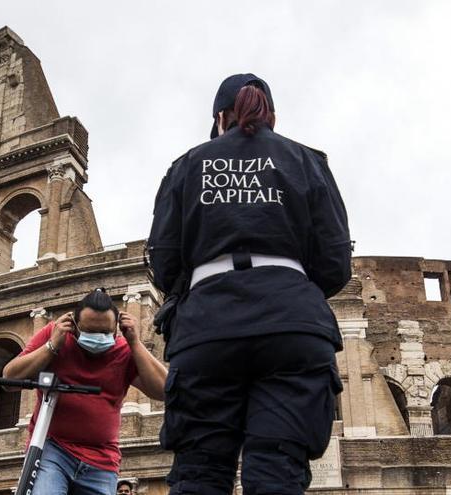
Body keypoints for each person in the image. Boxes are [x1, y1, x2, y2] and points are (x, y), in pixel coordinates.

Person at [148, 73, 351, 494]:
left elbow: (164, 259)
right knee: (278, 468)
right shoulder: (307, 161)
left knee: (200, 471)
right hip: (292, 321)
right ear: (271, 115)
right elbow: (335, 259)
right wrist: (287, 287)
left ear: (220, 117)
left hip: (208, 326)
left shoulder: (187, 165)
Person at [2, 288, 168, 495]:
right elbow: (9, 379)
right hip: (53, 449)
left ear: (117, 327)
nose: (98, 338)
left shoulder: (124, 349)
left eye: (105, 333)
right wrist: (52, 345)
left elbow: (164, 390)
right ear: (74, 324)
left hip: (102, 459)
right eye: (90, 332)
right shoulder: (55, 334)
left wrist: (135, 342)